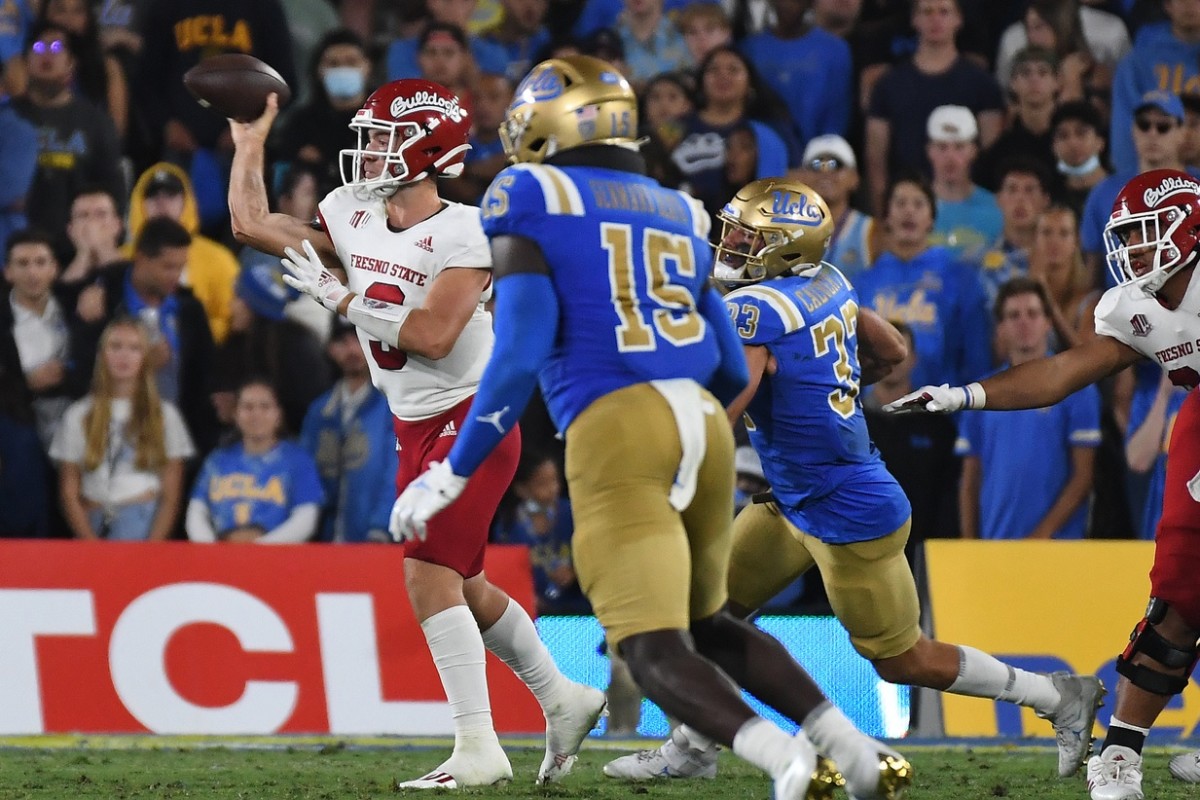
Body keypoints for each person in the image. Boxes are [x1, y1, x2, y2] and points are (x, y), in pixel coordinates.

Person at [388, 55, 912, 800]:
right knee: (710, 622)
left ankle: (789, 762)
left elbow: (522, 346)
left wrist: (454, 468)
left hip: (616, 421)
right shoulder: (674, 204)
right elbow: (730, 368)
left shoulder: (526, 191)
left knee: (650, 643)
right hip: (699, 416)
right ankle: (849, 748)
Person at [602, 178, 1104, 785]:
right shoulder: (830, 281)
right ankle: (693, 746)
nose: (729, 242)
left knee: (903, 659)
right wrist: (836, 390)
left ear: (783, 248)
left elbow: (723, 410)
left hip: (846, 508)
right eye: (731, 228)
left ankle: (1055, 697)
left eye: (745, 235)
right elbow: (891, 347)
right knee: (711, 612)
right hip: (795, 498)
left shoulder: (754, 309)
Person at [227, 76, 605, 788]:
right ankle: (565, 697)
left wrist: (344, 299)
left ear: (428, 152)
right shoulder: (348, 209)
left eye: (382, 140)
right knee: (464, 582)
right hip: (410, 422)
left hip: (474, 416)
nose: (366, 153)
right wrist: (249, 141)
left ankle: (478, 746)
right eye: (366, 138)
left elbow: (433, 335)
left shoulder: (466, 230)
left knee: (425, 570)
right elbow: (253, 225)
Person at [883, 167, 1200, 800]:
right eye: (1129, 236)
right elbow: (1064, 371)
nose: (1134, 250)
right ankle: (1118, 756)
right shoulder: (1137, 307)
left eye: (1146, 234)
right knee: (1181, 591)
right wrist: (964, 394)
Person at [957, 278, 1101, 540]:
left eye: (1033, 313)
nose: (1024, 322)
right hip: (995, 545)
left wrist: (1040, 536)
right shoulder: (980, 394)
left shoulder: (1077, 389)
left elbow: (1083, 477)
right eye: (1013, 315)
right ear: (1000, 328)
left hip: (1057, 550)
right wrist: (970, 547)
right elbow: (970, 480)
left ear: (1048, 322)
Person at [49, 316, 195, 541]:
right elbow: (69, 492)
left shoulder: (165, 416)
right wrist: (90, 543)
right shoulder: (77, 415)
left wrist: (152, 548)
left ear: (145, 357)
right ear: (102, 355)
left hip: (142, 519)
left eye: (134, 348)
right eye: (115, 346)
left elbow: (171, 495)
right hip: (93, 520)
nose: (124, 356)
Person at [186, 379, 324, 544]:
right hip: (221, 557)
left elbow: (306, 518)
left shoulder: (299, 461)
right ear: (236, 414)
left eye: (265, 407)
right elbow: (197, 510)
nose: (256, 414)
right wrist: (210, 549)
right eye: (248, 407)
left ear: (278, 415)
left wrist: (260, 548)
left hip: (278, 558)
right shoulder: (216, 460)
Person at [299, 319, 398, 543]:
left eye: (359, 340)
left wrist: (382, 527)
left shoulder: (391, 407)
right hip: (325, 539)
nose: (352, 350)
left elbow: (396, 472)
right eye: (342, 342)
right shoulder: (319, 412)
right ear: (330, 349)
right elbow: (305, 474)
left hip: (378, 538)